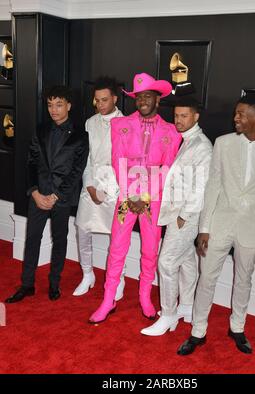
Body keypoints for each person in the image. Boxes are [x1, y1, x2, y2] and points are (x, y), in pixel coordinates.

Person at [177, 94, 255, 355]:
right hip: (220, 222)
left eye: (241, 114)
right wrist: (204, 227)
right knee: (206, 279)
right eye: (235, 113)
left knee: (244, 280)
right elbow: (213, 186)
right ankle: (198, 331)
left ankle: (237, 327)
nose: (235, 118)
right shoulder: (223, 143)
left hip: (253, 227)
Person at [89, 72, 181, 323]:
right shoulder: (120, 126)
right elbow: (117, 162)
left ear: (157, 100)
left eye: (147, 96)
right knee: (117, 249)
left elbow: (168, 168)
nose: (142, 101)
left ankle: (144, 296)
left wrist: (147, 196)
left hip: (154, 200)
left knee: (150, 251)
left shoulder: (172, 132)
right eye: (139, 97)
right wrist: (131, 195)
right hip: (126, 199)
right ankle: (108, 300)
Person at [5, 86, 88, 303]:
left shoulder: (81, 135)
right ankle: (27, 285)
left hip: (61, 198)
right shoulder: (40, 130)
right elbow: (31, 163)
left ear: (68, 106)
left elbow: (77, 170)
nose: (53, 109)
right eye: (50, 105)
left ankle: (54, 284)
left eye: (58, 104)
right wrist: (34, 192)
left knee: (59, 240)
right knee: (32, 240)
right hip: (38, 196)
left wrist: (56, 196)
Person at [141, 97, 212, 336]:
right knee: (187, 261)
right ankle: (188, 307)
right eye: (177, 115)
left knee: (167, 262)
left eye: (184, 116)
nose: (178, 120)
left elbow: (201, 186)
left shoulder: (202, 145)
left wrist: (184, 216)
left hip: (186, 215)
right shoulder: (188, 140)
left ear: (196, 117)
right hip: (177, 212)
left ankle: (169, 314)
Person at [73, 76, 126, 298]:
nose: (100, 104)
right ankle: (88, 274)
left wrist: (113, 189)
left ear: (115, 98)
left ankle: (118, 278)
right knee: (82, 229)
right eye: (97, 100)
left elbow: (128, 163)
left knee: (118, 235)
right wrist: (90, 186)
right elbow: (87, 159)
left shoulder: (127, 124)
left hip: (117, 187)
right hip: (92, 181)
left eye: (104, 100)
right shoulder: (90, 122)